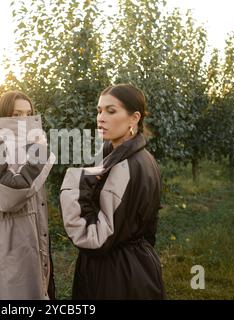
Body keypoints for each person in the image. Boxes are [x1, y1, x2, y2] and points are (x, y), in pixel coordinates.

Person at [60, 84, 165, 299]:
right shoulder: (141, 157)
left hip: (115, 276)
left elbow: (97, 239)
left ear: (134, 118)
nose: (101, 118)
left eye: (111, 111)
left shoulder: (123, 166)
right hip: (138, 266)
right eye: (99, 111)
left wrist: (74, 184)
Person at [0, 91, 56, 299]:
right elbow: (8, 196)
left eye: (28, 114)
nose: (24, 120)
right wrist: (40, 155)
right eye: (17, 114)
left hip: (30, 235)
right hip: (7, 242)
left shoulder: (29, 145)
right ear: (4, 116)